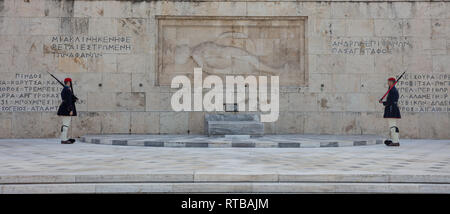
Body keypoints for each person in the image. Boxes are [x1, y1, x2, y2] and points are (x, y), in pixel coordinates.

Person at [381, 77, 401, 146]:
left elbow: (390, 101)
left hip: (391, 109)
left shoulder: (393, 90)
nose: (388, 83)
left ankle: (395, 142)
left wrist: (383, 103)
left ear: (392, 82)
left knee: (392, 126)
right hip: (392, 109)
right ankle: (395, 140)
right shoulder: (392, 90)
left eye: (389, 82)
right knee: (393, 126)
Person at [57, 78, 77, 144]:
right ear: (68, 82)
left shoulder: (65, 89)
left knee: (64, 125)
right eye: (70, 82)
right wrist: (71, 110)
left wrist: (74, 98)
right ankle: (64, 139)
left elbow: (69, 99)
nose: (71, 84)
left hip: (64, 108)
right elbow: (68, 101)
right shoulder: (67, 90)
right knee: (65, 125)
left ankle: (64, 138)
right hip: (67, 109)